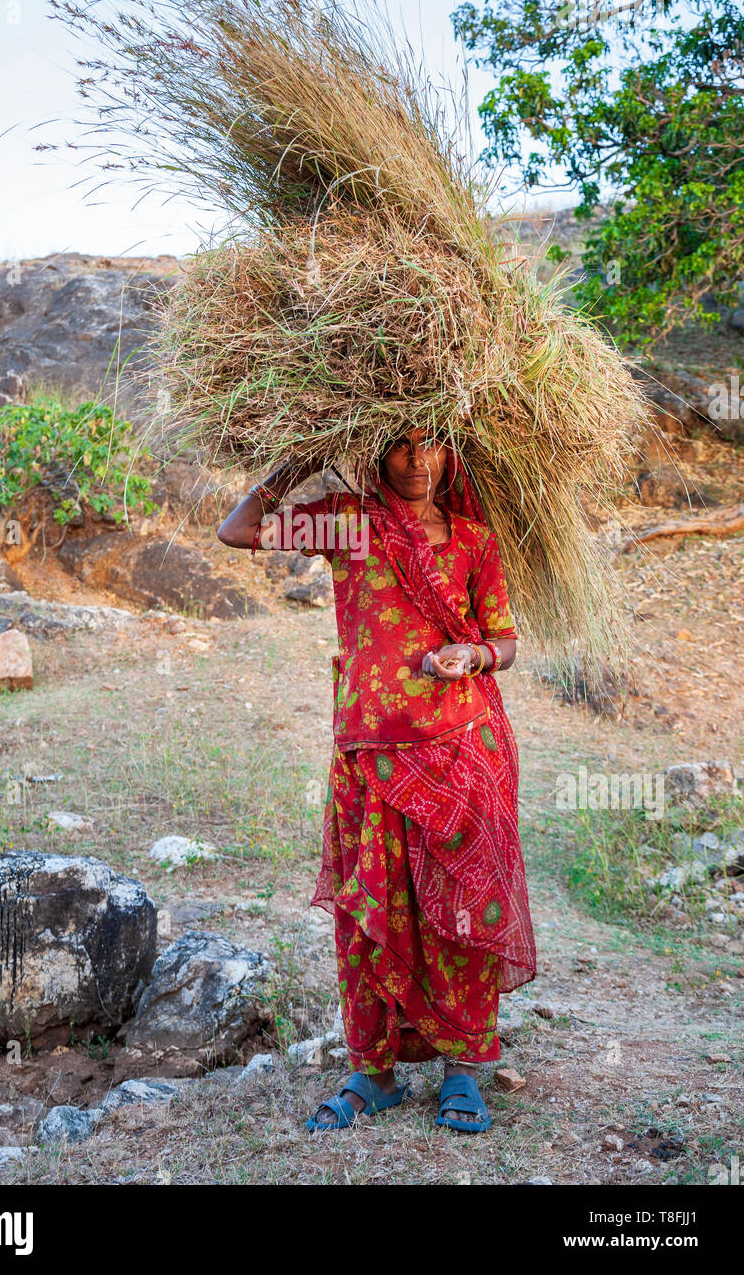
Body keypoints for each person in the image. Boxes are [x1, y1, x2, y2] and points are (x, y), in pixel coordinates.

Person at [217, 429, 536, 1132]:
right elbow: (237, 530)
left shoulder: (475, 541)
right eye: (401, 447)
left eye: (434, 447)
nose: (418, 461)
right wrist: (298, 453)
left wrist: (474, 654)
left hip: (461, 751)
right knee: (372, 910)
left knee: (461, 906)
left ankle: (463, 1072)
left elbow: (505, 639)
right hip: (372, 753)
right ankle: (374, 1072)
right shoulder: (352, 527)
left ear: (454, 455)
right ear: (373, 451)